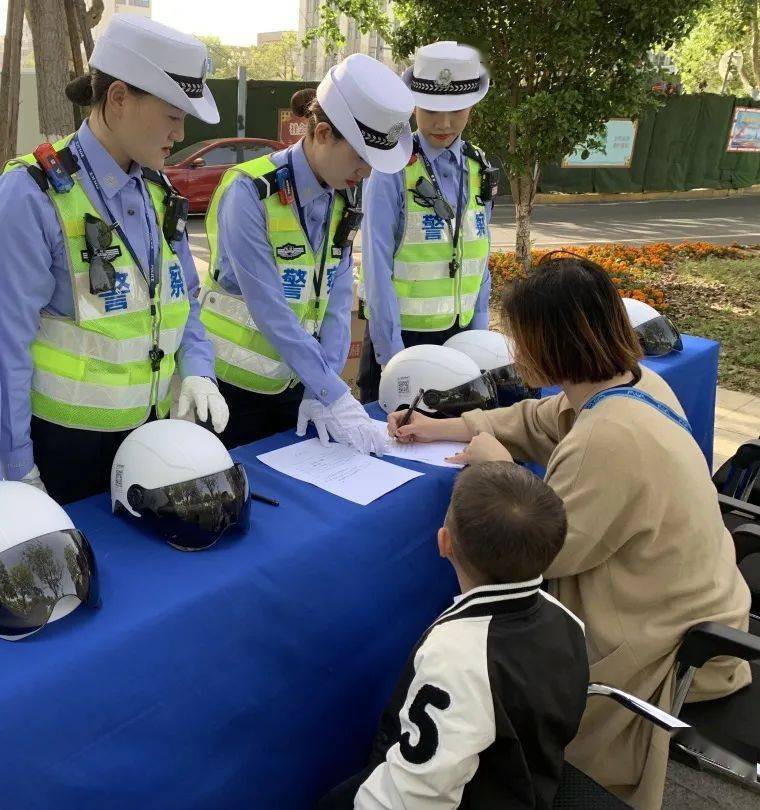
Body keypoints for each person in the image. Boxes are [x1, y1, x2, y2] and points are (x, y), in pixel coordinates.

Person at [390, 253, 752, 807]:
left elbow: (528, 549)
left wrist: (494, 468)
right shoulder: (635, 384)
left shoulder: (607, 440)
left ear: (548, 345)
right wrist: (440, 426)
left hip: (660, 646)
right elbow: (538, 419)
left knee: (506, 700)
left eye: (520, 338)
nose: (514, 352)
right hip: (704, 610)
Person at [0, 15, 228, 505]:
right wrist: (16, 464)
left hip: (149, 437)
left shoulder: (159, 192)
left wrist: (199, 367)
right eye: (172, 115)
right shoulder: (34, 192)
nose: (179, 134)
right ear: (118, 98)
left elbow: (183, 300)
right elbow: (4, 345)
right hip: (65, 450)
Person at [320, 462, 588, 808]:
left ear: (443, 542)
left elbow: (415, 795)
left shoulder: (455, 657)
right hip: (531, 774)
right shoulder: (567, 618)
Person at [199, 54, 415, 452]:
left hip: (299, 386)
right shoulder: (249, 193)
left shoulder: (341, 197)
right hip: (232, 391)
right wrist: (334, 391)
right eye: (360, 158)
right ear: (320, 134)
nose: (365, 173)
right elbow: (269, 308)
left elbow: (337, 297)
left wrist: (324, 383)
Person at [358, 41, 496, 404]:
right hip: (404, 341)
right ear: (414, 103)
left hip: (463, 340)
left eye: (456, 110)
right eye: (432, 109)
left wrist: (479, 337)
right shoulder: (392, 167)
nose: (444, 123)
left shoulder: (479, 165)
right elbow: (376, 267)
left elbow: (479, 259)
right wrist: (393, 359)